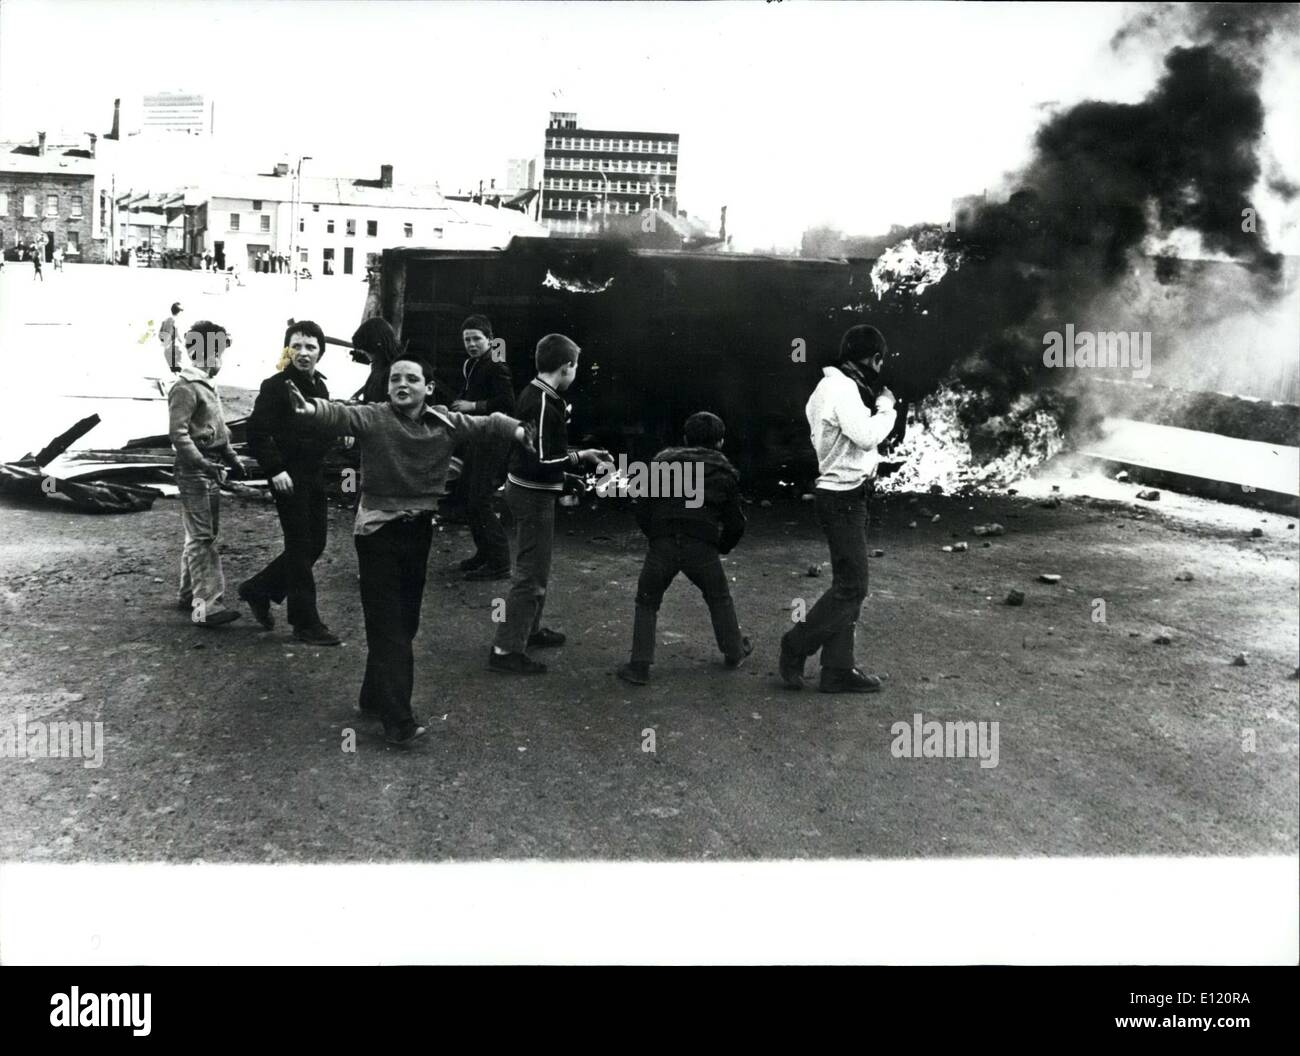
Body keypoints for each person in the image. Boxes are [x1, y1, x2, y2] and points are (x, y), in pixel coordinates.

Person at [284, 354, 534, 745]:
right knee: (389, 625)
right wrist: (310, 408)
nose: (402, 384)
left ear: (428, 389)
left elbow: (488, 423)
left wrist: (520, 431)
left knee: (406, 622)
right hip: (376, 532)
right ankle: (398, 718)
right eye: (395, 379)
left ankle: (373, 694)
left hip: (418, 531)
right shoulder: (375, 417)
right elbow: (339, 414)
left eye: (412, 379)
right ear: (387, 388)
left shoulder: (444, 422)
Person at [779, 324, 897, 693]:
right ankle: (796, 645)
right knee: (853, 587)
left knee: (846, 585)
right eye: (880, 361)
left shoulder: (828, 388)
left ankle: (837, 670)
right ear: (874, 358)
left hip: (846, 494)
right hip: (844, 497)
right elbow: (866, 436)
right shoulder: (843, 389)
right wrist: (886, 408)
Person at [489, 333, 611, 675]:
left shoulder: (540, 395)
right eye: (577, 367)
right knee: (530, 573)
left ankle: (528, 629)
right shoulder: (543, 403)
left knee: (538, 567)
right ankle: (505, 649)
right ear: (567, 366)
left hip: (531, 489)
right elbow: (542, 460)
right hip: (532, 493)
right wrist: (581, 457)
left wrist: (568, 472)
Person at [616, 412, 751, 685]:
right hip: (702, 546)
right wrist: (721, 546)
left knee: (647, 601)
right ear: (720, 442)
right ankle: (734, 651)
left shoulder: (662, 463)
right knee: (719, 597)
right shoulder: (724, 472)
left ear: (686, 438)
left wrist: (656, 535)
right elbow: (735, 522)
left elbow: (642, 508)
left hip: (663, 543)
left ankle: (639, 666)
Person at [240, 320, 340, 645]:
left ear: (320, 352)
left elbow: (322, 426)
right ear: (287, 350)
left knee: (316, 544)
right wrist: (275, 469)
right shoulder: (276, 386)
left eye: (310, 347)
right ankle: (305, 622)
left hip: (313, 477)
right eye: (296, 346)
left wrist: (341, 436)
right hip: (288, 477)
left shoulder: (320, 387)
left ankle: (259, 589)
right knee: (299, 547)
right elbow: (255, 431)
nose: (303, 353)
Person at [168, 320, 246, 627]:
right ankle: (207, 607)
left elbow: (219, 431)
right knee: (203, 537)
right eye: (219, 354)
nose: (221, 362)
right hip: (194, 471)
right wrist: (203, 463)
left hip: (208, 468)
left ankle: (188, 595)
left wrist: (231, 457)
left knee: (199, 534)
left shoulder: (206, 387)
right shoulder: (185, 389)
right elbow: (178, 434)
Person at [450, 315, 515, 579]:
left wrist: (472, 407)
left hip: (494, 442)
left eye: (477, 338)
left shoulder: (497, 366)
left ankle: (500, 563)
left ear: (490, 339)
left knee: (480, 501)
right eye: (467, 339)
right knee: (468, 496)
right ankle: (484, 553)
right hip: (478, 440)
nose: (472, 343)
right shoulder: (473, 365)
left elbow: (507, 404)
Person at [350, 316, 401, 404]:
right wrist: (357, 396)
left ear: (377, 346)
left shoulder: (396, 372)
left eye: (366, 351)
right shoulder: (378, 365)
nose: (366, 355)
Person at [159, 302, 184, 373]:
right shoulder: (175, 321)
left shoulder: (166, 320)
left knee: (174, 368)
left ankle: (176, 379)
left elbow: (160, 333)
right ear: (179, 312)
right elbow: (178, 335)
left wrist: (164, 343)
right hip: (174, 348)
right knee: (179, 368)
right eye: (182, 310)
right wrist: (183, 344)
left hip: (167, 349)